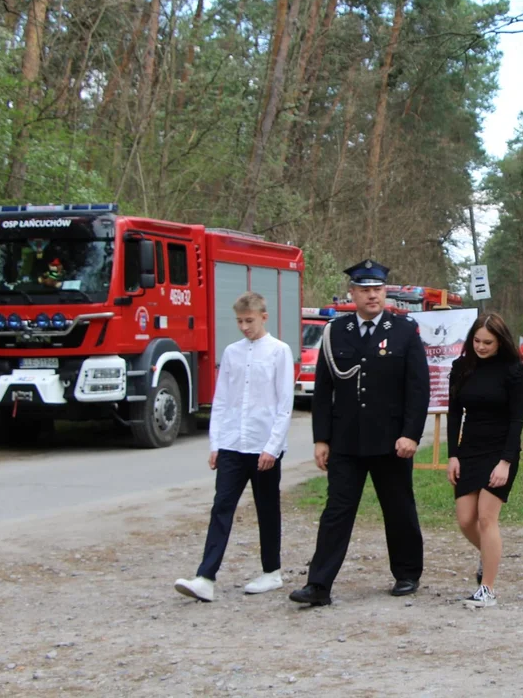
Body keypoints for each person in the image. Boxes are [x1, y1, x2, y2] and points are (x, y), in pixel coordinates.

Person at [290, 259, 430, 607]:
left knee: (398, 508)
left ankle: (407, 573)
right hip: (347, 441)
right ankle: (319, 584)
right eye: (365, 289)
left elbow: (418, 389)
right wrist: (321, 438)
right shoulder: (335, 331)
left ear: (385, 292)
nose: (372, 296)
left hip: (391, 441)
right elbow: (323, 390)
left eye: (377, 289)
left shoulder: (404, 331)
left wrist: (411, 434)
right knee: (336, 511)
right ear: (352, 293)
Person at [175, 291, 294, 602]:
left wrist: (273, 446)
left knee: (267, 509)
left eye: (250, 321)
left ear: (263, 317)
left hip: (263, 445)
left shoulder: (279, 352)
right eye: (240, 321)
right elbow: (222, 400)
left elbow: (284, 404)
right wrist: (216, 442)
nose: (244, 327)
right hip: (232, 444)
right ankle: (205, 577)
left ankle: (272, 571)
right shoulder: (231, 352)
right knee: (221, 506)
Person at [446, 313, 523, 607]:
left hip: (500, 451)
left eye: (487, 342)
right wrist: (452, 455)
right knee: (466, 519)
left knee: (486, 517)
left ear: (500, 342)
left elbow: (517, 420)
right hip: (469, 450)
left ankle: (487, 589)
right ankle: (489, 556)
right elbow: (455, 414)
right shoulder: (461, 368)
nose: (480, 346)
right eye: (476, 341)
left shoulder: (513, 371)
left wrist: (505, 461)